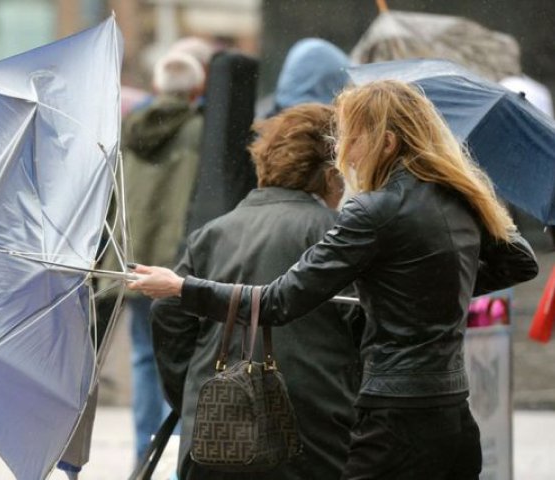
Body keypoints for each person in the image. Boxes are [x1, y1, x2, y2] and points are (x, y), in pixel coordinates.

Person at [129, 80, 539, 479]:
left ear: (388, 142)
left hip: (392, 417)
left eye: (351, 137)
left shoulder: (374, 212)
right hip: (452, 412)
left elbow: (278, 301)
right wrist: (413, 290)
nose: (344, 152)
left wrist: (181, 288)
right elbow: (520, 261)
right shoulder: (460, 198)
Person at [151, 103, 362, 480]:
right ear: (331, 175)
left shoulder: (213, 233)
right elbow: (366, 327)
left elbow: (169, 314)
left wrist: (199, 392)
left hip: (214, 434)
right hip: (312, 430)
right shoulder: (339, 235)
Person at [57, 50, 206, 479]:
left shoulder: (130, 128)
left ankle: (144, 454)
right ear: (196, 89)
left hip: (130, 259)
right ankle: (176, 451)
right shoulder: (200, 131)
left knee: (144, 353)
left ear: (159, 88)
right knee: (183, 355)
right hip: (178, 262)